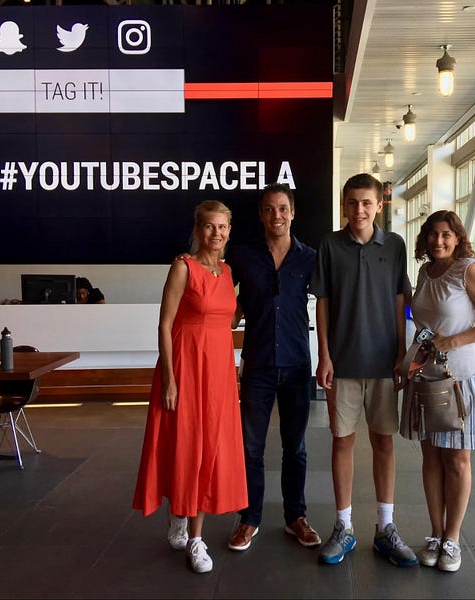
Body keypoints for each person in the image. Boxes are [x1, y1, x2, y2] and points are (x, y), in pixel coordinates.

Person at [132, 200, 247, 574]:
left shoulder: (227, 272)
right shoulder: (183, 267)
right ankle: (179, 515)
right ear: (198, 230)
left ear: (229, 231)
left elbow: (228, 320)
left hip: (218, 373)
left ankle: (196, 538)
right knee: (184, 446)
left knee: (209, 449)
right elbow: (165, 325)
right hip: (186, 367)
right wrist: (169, 378)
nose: (217, 233)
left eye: (223, 227)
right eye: (210, 226)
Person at [310, 173, 416, 567]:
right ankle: (344, 527)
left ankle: (385, 527)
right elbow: (322, 302)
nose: (359, 210)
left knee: (384, 442)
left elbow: (400, 300)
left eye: (366, 203)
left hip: (384, 363)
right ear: (344, 206)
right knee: (342, 441)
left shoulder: (395, 245)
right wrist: (323, 355)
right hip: (343, 363)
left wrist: (402, 353)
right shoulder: (329, 245)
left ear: (379, 206)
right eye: (352, 203)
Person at [224, 183, 320, 552]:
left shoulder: (309, 258)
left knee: (295, 447)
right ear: (261, 214)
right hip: (258, 364)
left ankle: (296, 517)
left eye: (282, 208)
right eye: (268, 209)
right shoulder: (243, 256)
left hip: (297, 364)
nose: (276, 215)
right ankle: (249, 518)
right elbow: (222, 299)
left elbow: (330, 303)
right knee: (250, 447)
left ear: (292, 213)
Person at [408, 210, 475, 572]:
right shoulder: (425, 273)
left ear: (458, 238)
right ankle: (435, 533)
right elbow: (423, 321)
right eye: (433, 234)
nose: (439, 241)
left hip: (462, 379)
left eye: (446, 234)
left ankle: (452, 538)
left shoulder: (468, 271)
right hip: (427, 378)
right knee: (431, 458)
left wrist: (453, 341)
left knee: (457, 460)